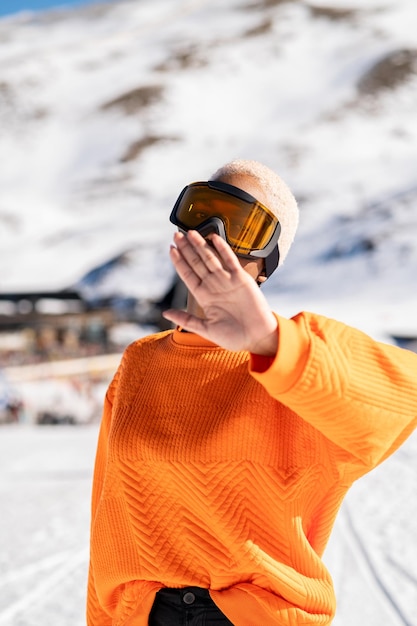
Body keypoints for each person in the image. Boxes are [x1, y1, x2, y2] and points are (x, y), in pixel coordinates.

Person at [87, 159, 417, 626]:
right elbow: (110, 519)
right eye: (202, 209)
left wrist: (269, 342)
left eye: (240, 224)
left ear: (266, 261)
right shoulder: (141, 363)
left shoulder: (293, 367)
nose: (212, 235)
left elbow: (404, 398)